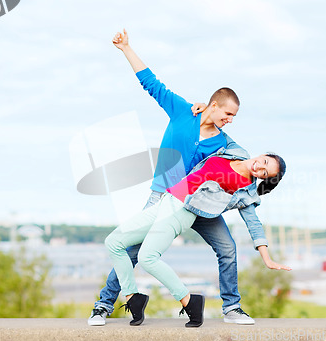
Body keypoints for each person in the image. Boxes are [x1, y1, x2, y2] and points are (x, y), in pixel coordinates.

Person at [88, 29, 253, 325]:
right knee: (132, 249)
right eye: (227, 113)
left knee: (227, 248)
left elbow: (247, 161)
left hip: (199, 203)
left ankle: (231, 308)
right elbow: (151, 84)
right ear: (213, 104)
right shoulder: (181, 111)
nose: (230, 120)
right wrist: (126, 48)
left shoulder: (224, 143)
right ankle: (104, 304)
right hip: (163, 195)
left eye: (233, 117)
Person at [105, 147, 292, 327]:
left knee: (147, 258)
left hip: (183, 210)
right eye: (264, 162)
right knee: (114, 242)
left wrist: (266, 258)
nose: (259, 168)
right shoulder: (234, 151)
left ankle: (189, 301)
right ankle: (132, 298)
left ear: (262, 179)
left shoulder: (246, 191)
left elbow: (254, 225)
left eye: (265, 173)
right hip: (168, 198)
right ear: (263, 155)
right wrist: (199, 112)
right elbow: (211, 125)